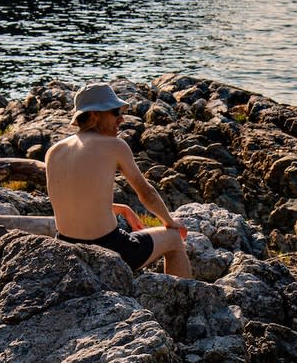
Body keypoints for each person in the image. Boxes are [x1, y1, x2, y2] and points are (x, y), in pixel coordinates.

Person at [45, 82, 192, 277]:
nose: (121, 118)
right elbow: (146, 192)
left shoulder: (54, 151)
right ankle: (186, 303)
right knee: (174, 240)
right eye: (115, 112)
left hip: (65, 246)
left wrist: (121, 208)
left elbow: (72, 198)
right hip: (108, 248)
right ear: (94, 115)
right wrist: (170, 221)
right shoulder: (114, 146)